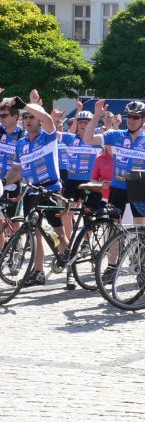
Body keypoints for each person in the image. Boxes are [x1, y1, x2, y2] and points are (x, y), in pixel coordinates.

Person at [3, 91, 67, 288]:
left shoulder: (48, 136)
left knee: (60, 233)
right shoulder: (21, 143)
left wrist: (25, 105)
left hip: (51, 188)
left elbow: (47, 118)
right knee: (35, 233)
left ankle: (70, 271)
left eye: (32, 117)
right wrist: (3, 181)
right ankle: (38, 272)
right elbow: (17, 170)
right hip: (31, 191)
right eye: (25, 117)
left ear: (38, 121)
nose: (28, 120)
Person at [82, 100, 145, 224]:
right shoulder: (116, 135)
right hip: (118, 186)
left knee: (139, 228)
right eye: (129, 116)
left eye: (136, 117)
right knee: (113, 226)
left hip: (139, 186)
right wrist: (97, 115)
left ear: (144, 119)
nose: (131, 120)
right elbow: (88, 139)